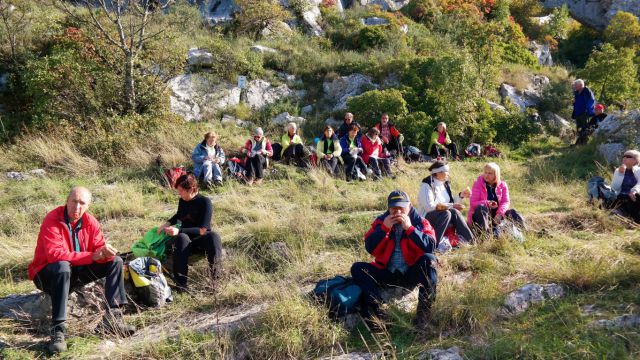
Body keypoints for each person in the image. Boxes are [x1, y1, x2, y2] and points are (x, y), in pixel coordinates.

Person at [28, 187, 135, 354]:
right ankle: (58, 331)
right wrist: (92, 256)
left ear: (88, 205)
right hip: (47, 275)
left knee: (116, 261)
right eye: (74, 201)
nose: (77, 207)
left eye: (82, 203)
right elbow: (54, 255)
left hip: (74, 273)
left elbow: (98, 248)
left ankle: (112, 318)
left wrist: (105, 253)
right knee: (62, 266)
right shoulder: (53, 219)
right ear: (67, 200)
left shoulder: (90, 222)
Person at [351, 190, 437, 331]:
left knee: (430, 260)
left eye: (401, 208)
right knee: (357, 268)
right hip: (387, 272)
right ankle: (379, 312)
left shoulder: (420, 221)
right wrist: (384, 228)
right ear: (388, 208)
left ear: (409, 206)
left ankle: (423, 316)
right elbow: (370, 247)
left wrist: (410, 228)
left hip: (410, 273)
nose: (397, 212)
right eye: (393, 208)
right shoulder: (381, 221)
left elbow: (431, 246)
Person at [157, 174, 223, 291]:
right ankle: (181, 284)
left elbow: (204, 230)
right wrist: (167, 223)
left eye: (181, 191)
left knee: (214, 236)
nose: (179, 194)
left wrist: (179, 230)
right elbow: (179, 215)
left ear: (191, 189)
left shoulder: (205, 202)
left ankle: (215, 281)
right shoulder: (182, 201)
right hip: (184, 242)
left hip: (200, 240)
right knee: (182, 237)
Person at [417, 161, 474, 245]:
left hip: (443, 217)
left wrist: (460, 196)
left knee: (454, 212)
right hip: (427, 218)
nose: (448, 173)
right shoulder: (426, 185)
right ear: (438, 173)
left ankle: (471, 240)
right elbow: (429, 207)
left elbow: (450, 203)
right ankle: (433, 244)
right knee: (446, 213)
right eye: (447, 171)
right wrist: (451, 205)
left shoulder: (445, 184)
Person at [468, 163, 525, 236]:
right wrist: (488, 203)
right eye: (485, 172)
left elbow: (505, 202)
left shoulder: (503, 185)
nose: (486, 175)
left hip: (497, 217)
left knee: (512, 212)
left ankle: (525, 232)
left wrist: (499, 214)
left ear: (496, 174)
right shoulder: (477, 184)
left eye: (490, 173)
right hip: (481, 218)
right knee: (481, 208)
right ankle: (485, 237)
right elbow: (473, 203)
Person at [609, 150, 640, 223]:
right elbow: (614, 187)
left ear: (635, 160)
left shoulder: (639, 171)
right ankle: (620, 215)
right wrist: (620, 174)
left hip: (634, 197)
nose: (624, 158)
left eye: (628, 156)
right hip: (621, 198)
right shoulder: (618, 170)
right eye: (624, 156)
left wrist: (634, 191)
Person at [572, 79, 595, 145]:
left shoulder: (586, 90)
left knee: (585, 128)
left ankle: (585, 143)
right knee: (579, 128)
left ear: (580, 85)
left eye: (576, 85)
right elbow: (577, 101)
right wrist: (574, 102)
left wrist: (587, 109)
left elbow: (591, 100)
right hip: (577, 113)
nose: (574, 86)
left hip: (584, 113)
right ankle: (580, 143)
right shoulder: (576, 92)